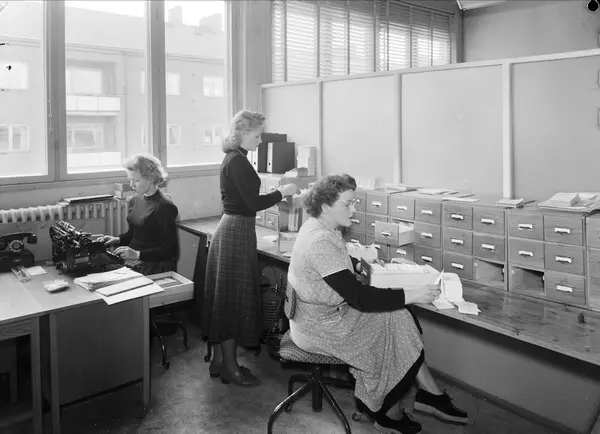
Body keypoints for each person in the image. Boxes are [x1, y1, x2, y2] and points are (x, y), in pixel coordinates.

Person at [286, 174, 468, 434]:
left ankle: (422, 398)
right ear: (326, 207)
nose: (354, 209)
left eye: (354, 202)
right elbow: (358, 297)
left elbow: (333, 264)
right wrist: (412, 293)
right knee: (393, 327)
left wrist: (359, 264)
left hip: (320, 316)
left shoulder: (318, 226)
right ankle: (399, 409)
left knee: (398, 317)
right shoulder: (320, 240)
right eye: (347, 204)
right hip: (319, 328)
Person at [202, 110, 298, 387]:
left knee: (224, 298)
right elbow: (253, 204)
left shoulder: (235, 158)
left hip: (233, 227)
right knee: (232, 300)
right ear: (242, 133)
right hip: (236, 231)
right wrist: (283, 192)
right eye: (257, 135)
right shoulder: (238, 161)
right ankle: (231, 369)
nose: (260, 140)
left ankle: (220, 362)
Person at [99, 153, 179, 275]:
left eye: (136, 180)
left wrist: (137, 254)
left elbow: (170, 250)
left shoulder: (165, 207)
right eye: (130, 180)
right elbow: (134, 234)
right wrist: (117, 240)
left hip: (153, 264)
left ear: (151, 178)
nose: (131, 185)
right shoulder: (135, 200)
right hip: (134, 260)